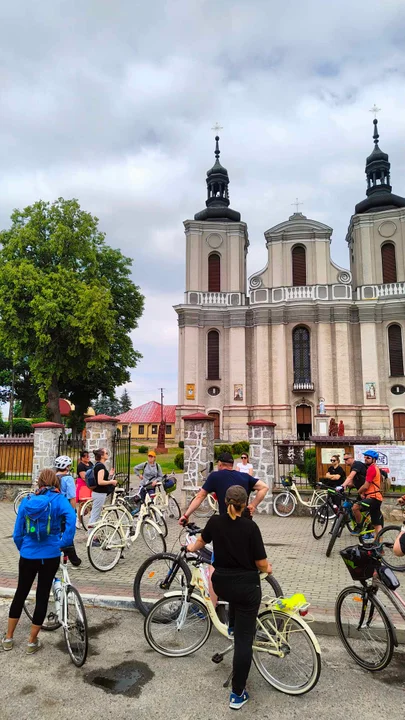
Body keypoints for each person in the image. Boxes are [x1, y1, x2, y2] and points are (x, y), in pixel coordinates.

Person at [186, 485, 272, 711]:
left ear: (224, 502)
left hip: (222, 584)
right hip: (247, 586)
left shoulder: (215, 522)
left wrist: (189, 547)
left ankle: (232, 627)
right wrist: (268, 569)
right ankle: (237, 693)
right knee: (245, 641)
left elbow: (199, 544)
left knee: (234, 601)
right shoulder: (251, 527)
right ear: (245, 504)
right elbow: (261, 563)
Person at [1, 469, 75, 654]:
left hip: (28, 555)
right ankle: (31, 642)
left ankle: (9, 638)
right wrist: (63, 542)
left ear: (39, 482)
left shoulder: (27, 502)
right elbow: (72, 519)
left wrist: (24, 548)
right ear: (55, 483)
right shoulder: (59, 500)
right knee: (42, 596)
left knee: (21, 593)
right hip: (50, 554)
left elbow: (18, 533)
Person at [179, 451, 268, 524]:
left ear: (220, 464)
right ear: (232, 465)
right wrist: (253, 505)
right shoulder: (245, 476)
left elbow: (200, 496)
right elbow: (264, 487)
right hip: (245, 521)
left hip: (226, 521)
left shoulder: (215, 476)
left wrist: (186, 516)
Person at [54, 455, 82, 567]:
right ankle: (73, 559)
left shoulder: (53, 477)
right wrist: (72, 511)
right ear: (67, 467)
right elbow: (72, 497)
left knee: (57, 532)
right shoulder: (68, 479)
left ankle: (73, 559)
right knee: (67, 533)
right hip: (65, 509)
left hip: (55, 509)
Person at [352, 449, 383, 536]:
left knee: (355, 507)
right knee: (377, 524)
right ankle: (378, 544)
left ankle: (359, 526)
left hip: (374, 498)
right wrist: (363, 493)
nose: (365, 459)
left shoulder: (372, 469)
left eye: (368, 458)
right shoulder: (374, 468)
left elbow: (365, 485)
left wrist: (359, 492)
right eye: (365, 457)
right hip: (376, 498)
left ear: (374, 459)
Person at [88, 448, 116, 530]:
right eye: (106, 453)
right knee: (95, 515)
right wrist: (111, 482)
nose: (107, 454)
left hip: (98, 493)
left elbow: (101, 479)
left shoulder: (98, 465)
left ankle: (94, 534)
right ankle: (92, 536)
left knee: (96, 514)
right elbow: (100, 482)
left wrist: (110, 475)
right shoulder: (100, 466)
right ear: (102, 456)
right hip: (99, 493)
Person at [75, 450, 93, 529]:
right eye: (86, 456)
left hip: (90, 485)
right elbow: (83, 477)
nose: (88, 457)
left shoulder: (91, 464)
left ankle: (83, 517)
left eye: (88, 456)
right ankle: (79, 520)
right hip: (83, 485)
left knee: (90, 504)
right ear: (82, 458)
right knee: (82, 504)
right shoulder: (80, 466)